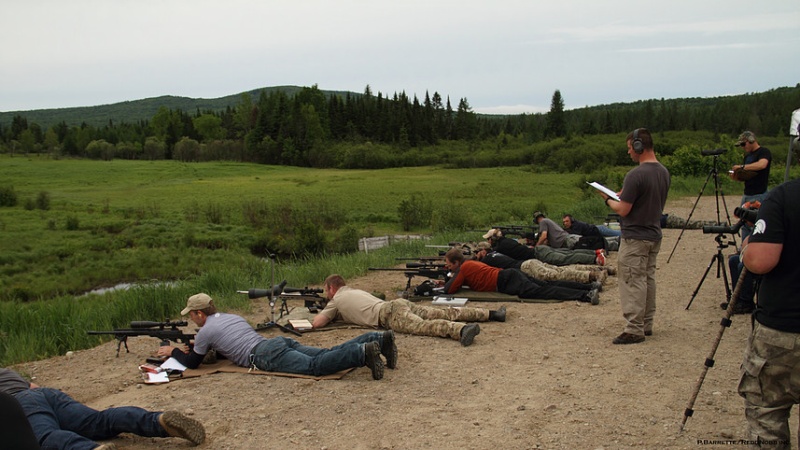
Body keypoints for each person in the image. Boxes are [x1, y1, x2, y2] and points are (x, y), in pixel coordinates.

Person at [158, 293, 391, 380]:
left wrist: (173, 352)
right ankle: (378, 339)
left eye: (192, 315)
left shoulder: (205, 330)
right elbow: (227, 343)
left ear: (199, 313)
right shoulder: (231, 317)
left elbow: (192, 364)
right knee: (325, 353)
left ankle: (361, 353)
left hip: (263, 354)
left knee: (315, 367)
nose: (192, 320)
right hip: (275, 343)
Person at [0, 367, 205, 450]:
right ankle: (158, 421)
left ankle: (89, 449)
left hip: (17, 403)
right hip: (45, 394)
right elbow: (33, 388)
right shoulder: (6, 371)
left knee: (43, 436)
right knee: (99, 420)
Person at [738, 178, 800, 446]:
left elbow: (761, 261)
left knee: (767, 415)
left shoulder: (784, 197)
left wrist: (748, 245)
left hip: (783, 328)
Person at [599, 128, 670, 345]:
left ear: (639, 146)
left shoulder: (636, 174)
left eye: (630, 147)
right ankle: (646, 323)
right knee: (647, 279)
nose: (629, 152)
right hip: (653, 234)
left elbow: (623, 210)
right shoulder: (663, 172)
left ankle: (634, 328)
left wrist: (607, 199)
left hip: (636, 237)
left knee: (632, 280)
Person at [312, 275, 505, 347]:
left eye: (326, 290)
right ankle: (491, 313)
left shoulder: (336, 300)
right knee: (443, 312)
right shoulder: (354, 290)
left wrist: (324, 312)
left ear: (330, 288)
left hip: (388, 314)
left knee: (423, 326)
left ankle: (461, 330)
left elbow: (317, 323)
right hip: (396, 304)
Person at [442, 248, 600, 305]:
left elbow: (449, 290)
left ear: (457, 263)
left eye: (449, 265)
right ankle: (589, 287)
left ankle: (585, 295)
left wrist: (450, 276)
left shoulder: (463, 268)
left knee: (544, 292)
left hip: (507, 280)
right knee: (546, 285)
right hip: (509, 274)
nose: (448, 267)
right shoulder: (470, 264)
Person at [474, 241, 607, 284]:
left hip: (526, 266)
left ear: (483, 251)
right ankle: (600, 267)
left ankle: (593, 275)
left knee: (557, 274)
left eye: (478, 253)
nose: (477, 255)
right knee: (561, 267)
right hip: (531, 260)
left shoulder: (487, 259)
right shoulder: (498, 250)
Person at [483, 228, 609, 268]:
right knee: (567, 252)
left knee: (566, 258)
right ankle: (595, 252)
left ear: (493, 239)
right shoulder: (507, 240)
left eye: (488, 239)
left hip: (538, 255)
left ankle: (595, 258)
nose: (488, 241)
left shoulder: (500, 247)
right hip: (539, 250)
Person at [729, 131, 771, 239]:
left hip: (758, 194)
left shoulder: (763, 152)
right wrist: (737, 175)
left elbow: (762, 165)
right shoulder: (748, 156)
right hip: (747, 193)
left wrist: (742, 167)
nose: (743, 147)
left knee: (755, 223)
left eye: (744, 144)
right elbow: (748, 174)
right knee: (744, 223)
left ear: (751, 140)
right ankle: (744, 249)